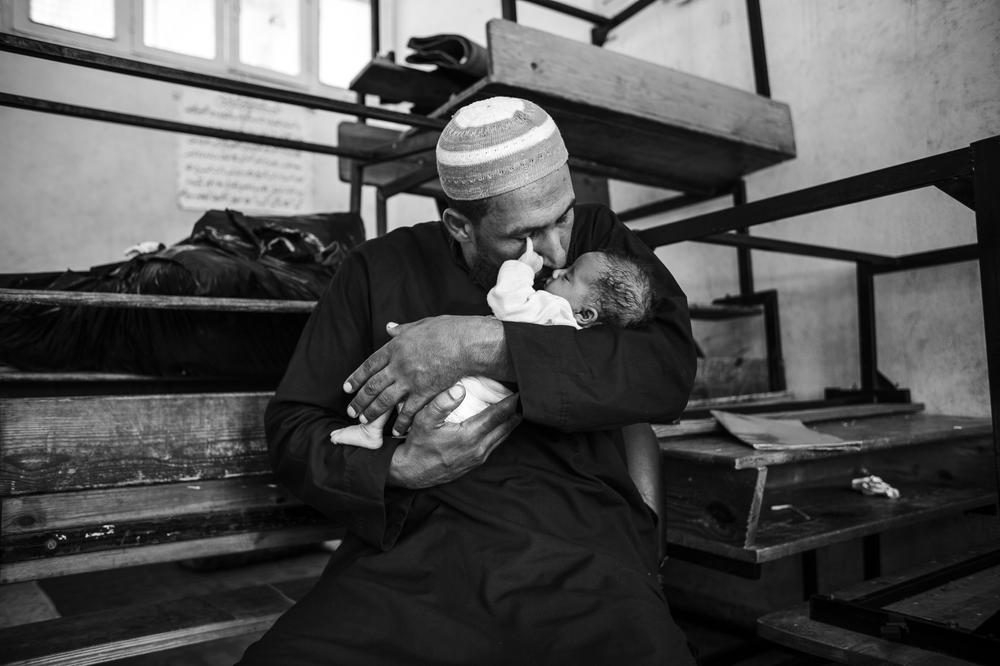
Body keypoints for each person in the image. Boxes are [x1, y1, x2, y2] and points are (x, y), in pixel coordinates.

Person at [239, 96, 697, 665]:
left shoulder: (596, 243)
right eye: (524, 236)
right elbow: (293, 428)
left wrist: (478, 343)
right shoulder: (376, 269)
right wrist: (399, 467)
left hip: (581, 547)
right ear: (459, 225)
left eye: (563, 217)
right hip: (411, 558)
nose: (557, 252)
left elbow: (666, 366)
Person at [327, 237, 656, 447]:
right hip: (474, 404)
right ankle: (375, 432)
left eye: (568, 276)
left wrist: (522, 268)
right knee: (407, 374)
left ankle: (371, 430)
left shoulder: (555, 313)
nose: (557, 271)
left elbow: (506, 300)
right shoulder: (577, 336)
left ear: (585, 314)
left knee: (405, 373)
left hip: (464, 399)